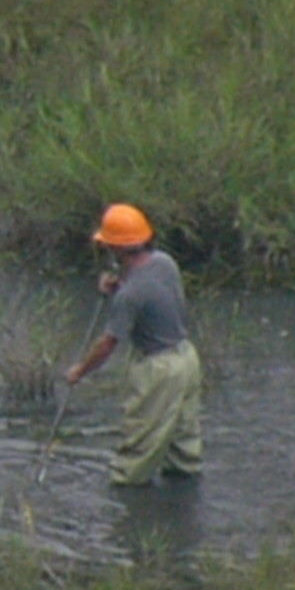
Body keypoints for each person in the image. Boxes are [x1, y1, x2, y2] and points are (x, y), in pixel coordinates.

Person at [64, 203, 202, 486]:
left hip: (159, 370)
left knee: (138, 448)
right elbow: (150, 289)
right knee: (183, 445)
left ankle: (126, 500)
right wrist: (118, 286)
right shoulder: (165, 262)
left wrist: (80, 371)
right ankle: (184, 496)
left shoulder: (129, 295)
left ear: (116, 248)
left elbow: (107, 344)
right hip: (187, 359)